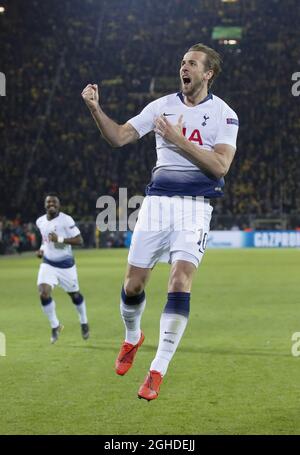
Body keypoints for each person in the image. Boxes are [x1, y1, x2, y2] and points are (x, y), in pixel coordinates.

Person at [82, 43, 239, 400]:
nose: (184, 67)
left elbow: (220, 167)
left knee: (180, 281)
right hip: (156, 205)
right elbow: (119, 137)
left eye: (192, 63)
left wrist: (177, 139)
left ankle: (157, 369)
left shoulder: (226, 115)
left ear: (207, 73)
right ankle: (132, 337)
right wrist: (95, 109)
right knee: (133, 285)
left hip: (196, 206)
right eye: (182, 62)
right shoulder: (161, 106)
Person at [36, 193, 89, 343]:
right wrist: (42, 249)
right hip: (48, 264)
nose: (51, 204)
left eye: (54, 202)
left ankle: (84, 322)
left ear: (59, 205)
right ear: (45, 204)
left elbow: (79, 240)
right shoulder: (40, 221)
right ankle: (55, 326)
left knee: (75, 296)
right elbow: (45, 239)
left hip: (66, 266)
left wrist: (59, 239)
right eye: (48, 202)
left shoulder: (66, 220)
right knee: (43, 293)